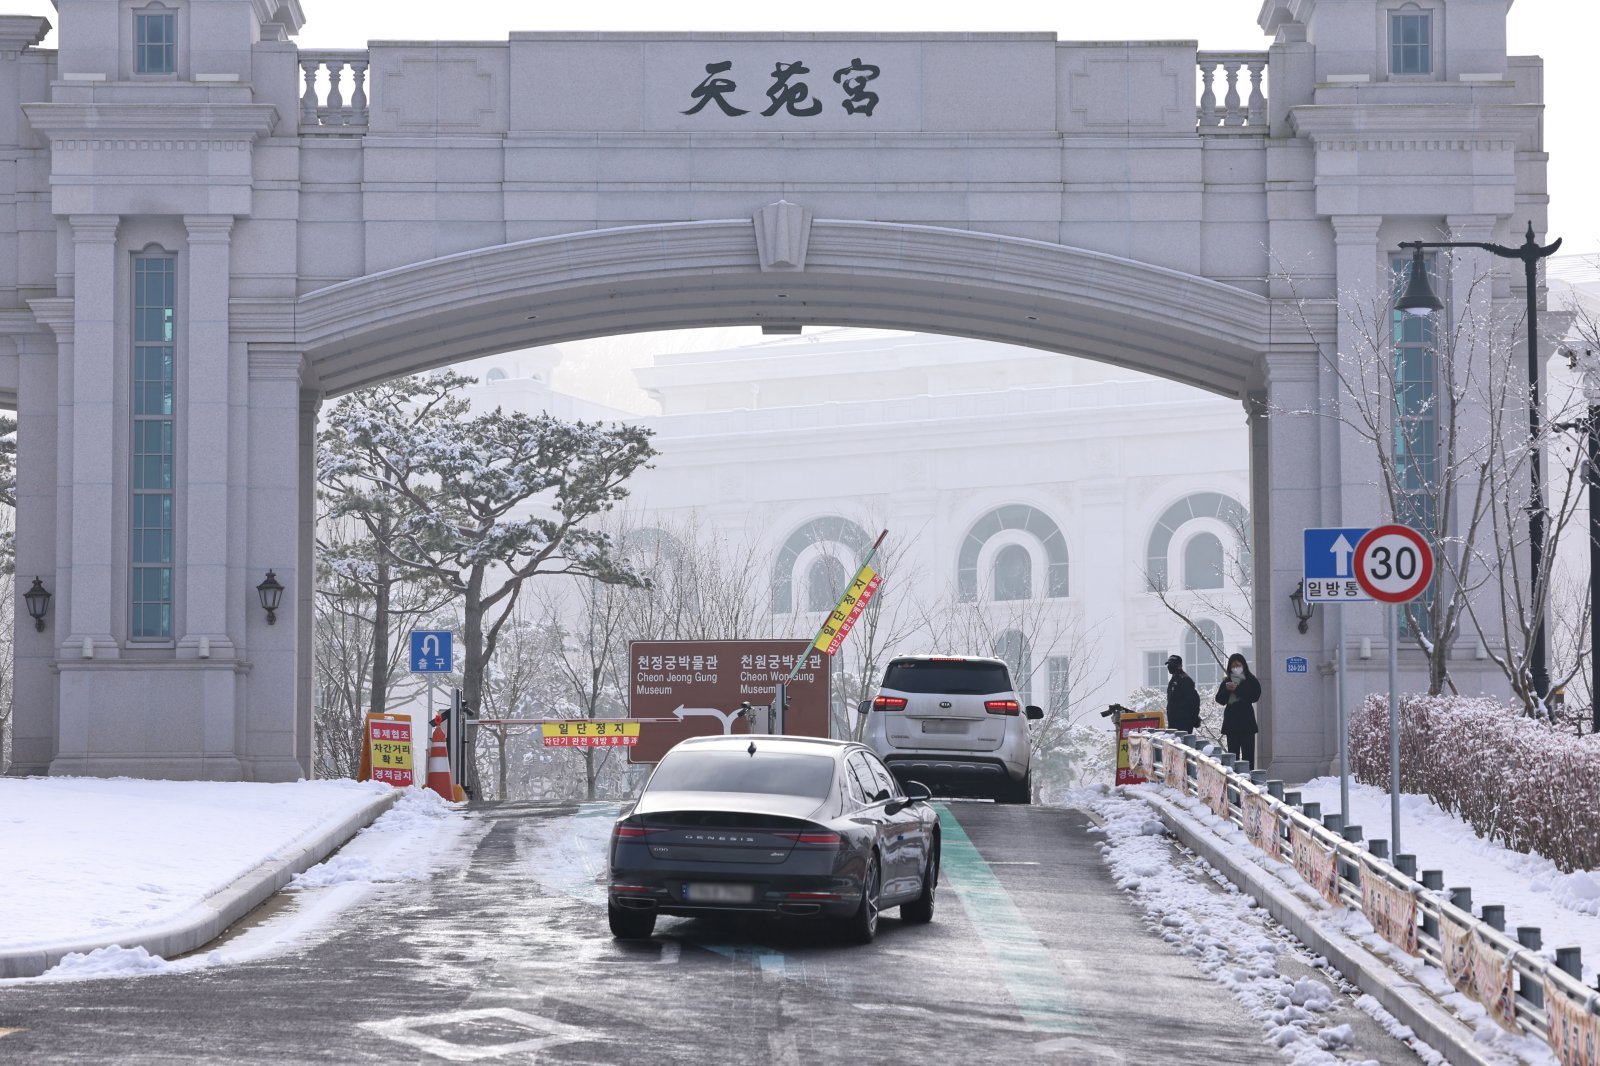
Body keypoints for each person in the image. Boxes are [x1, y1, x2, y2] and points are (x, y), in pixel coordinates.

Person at [1214, 652, 1261, 767]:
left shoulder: (1251, 680)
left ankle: (1249, 777)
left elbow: (1255, 696)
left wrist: (1237, 689)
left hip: (1247, 723)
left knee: (1248, 757)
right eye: (1233, 666)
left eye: (1238, 665)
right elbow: (1220, 699)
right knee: (1232, 757)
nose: (1236, 668)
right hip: (1232, 724)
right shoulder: (1227, 681)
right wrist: (1227, 690)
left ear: (1244, 665)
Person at [1164, 654, 1201, 733]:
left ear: (1179, 665)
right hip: (1173, 721)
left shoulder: (1185, 679)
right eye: (1169, 664)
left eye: (1172, 664)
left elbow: (1194, 700)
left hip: (1184, 722)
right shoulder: (1174, 679)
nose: (1169, 666)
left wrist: (1194, 717)